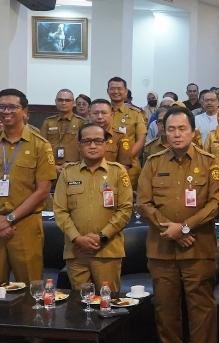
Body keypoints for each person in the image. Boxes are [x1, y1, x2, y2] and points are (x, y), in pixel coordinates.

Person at [136, 106, 219, 343]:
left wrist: (184, 227)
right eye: (171, 129)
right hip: (162, 248)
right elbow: (143, 202)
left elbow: (216, 203)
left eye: (182, 129)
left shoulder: (209, 163)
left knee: (201, 306)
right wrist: (170, 229)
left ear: (193, 132)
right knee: (165, 306)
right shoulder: (153, 162)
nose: (176, 134)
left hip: (198, 247)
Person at [53, 123, 133, 292]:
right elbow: (60, 211)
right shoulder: (68, 172)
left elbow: (125, 210)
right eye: (87, 141)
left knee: (108, 302)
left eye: (98, 141)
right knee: (80, 303)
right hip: (76, 252)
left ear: (105, 144)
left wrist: (102, 237)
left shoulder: (118, 172)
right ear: (79, 145)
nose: (92, 145)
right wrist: (77, 238)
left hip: (107, 251)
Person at [0, 89, 57, 284]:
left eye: (12, 107)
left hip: (25, 225)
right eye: (2, 107)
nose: (6, 111)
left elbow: (42, 191)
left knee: (29, 287)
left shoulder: (40, 145)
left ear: (25, 111)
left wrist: (9, 219)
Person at [87, 99, 140, 188]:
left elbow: (124, 166)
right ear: (89, 115)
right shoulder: (81, 136)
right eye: (95, 113)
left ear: (111, 115)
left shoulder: (121, 137)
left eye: (104, 113)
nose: (99, 117)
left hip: (111, 185)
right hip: (85, 183)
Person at [40, 88, 84, 173]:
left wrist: (76, 166)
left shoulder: (81, 122)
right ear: (55, 102)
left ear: (73, 103)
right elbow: (41, 147)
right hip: (51, 168)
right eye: (60, 100)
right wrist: (52, 166)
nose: (63, 103)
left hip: (74, 168)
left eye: (67, 100)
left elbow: (84, 147)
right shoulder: (48, 122)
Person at [107, 77, 147, 164]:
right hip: (105, 162)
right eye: (112, 89)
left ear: (125, 91)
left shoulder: (135, 114)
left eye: (119, 89)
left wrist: (124, 157)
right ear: (107, 91)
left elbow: (141, 140)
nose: (116, 92)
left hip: (129, 164)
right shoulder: (101, 112)